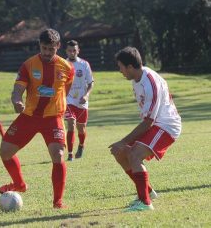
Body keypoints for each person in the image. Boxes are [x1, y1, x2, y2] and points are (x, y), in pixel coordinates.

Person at [0, 29, 75, 209]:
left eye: (51, 49)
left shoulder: (66, 68)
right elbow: (18, 89)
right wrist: (16, 100)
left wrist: (58, 106)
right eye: (44, 48)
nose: (47, 53)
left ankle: (58, 202)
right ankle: (19, 184)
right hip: (29, 117)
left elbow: (66, 90)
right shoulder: (28, 65)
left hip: (53, 118)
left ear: (58, 46)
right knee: (5, 152)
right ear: (39, 45)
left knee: (58, 155)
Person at [109, 47, 181, 212]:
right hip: (154, 124)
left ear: (130, 67)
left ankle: (145, 203)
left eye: (120, 67)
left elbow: (149, 121)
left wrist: (123, 141)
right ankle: (147, 191)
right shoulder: (136, 80)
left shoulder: (150, 83)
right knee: (119, 152)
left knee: (134, 154)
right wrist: (123, 144)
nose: (119, 71)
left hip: (166, 125)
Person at [64, 40, 94, 161]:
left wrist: (86, 95)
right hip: (68, 100)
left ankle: (81, 145)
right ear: (66, 51)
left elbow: (91, 82)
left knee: (81, 128)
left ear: (78, 51)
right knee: (71, 123)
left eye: (74, 50)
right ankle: (70, 154)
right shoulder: (63, 64)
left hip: (82, 101)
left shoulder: (84, 64)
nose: (72, 53)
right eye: (70, 51)